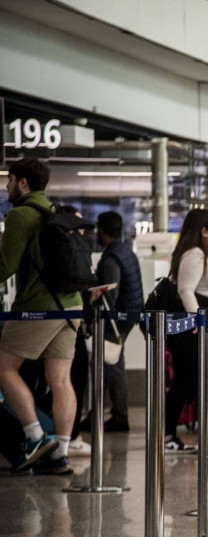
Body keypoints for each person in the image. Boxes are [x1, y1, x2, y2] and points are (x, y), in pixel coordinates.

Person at [0, 157, 82, 474]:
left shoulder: (21, 215)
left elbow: (5, 266)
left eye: (9, 181)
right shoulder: (54, 212)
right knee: (60, 379)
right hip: (71, 305)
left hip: (40, 306)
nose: (6, 187)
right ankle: (58, 453)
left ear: (23, 183)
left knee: (4, 369)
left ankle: (35, 436)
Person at [164, 209, 208, 451]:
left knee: (190, 381)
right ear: (203, 231)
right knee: (197, 380)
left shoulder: (201, 254)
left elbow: (201, 287)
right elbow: (186, 290)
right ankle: (190, 435)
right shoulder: (194, 254)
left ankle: (174, 433)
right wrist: (196, 321)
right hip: (194, 327)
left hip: (202, 320)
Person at [95, 211, 144, 432]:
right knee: (114, 363)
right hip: (130, 313)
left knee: (111, 365)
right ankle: (114, 412)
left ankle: (119, 415)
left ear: (102, 230)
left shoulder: (112, 257)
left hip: (117, 318)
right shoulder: (125, 251)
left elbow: (111, 293)